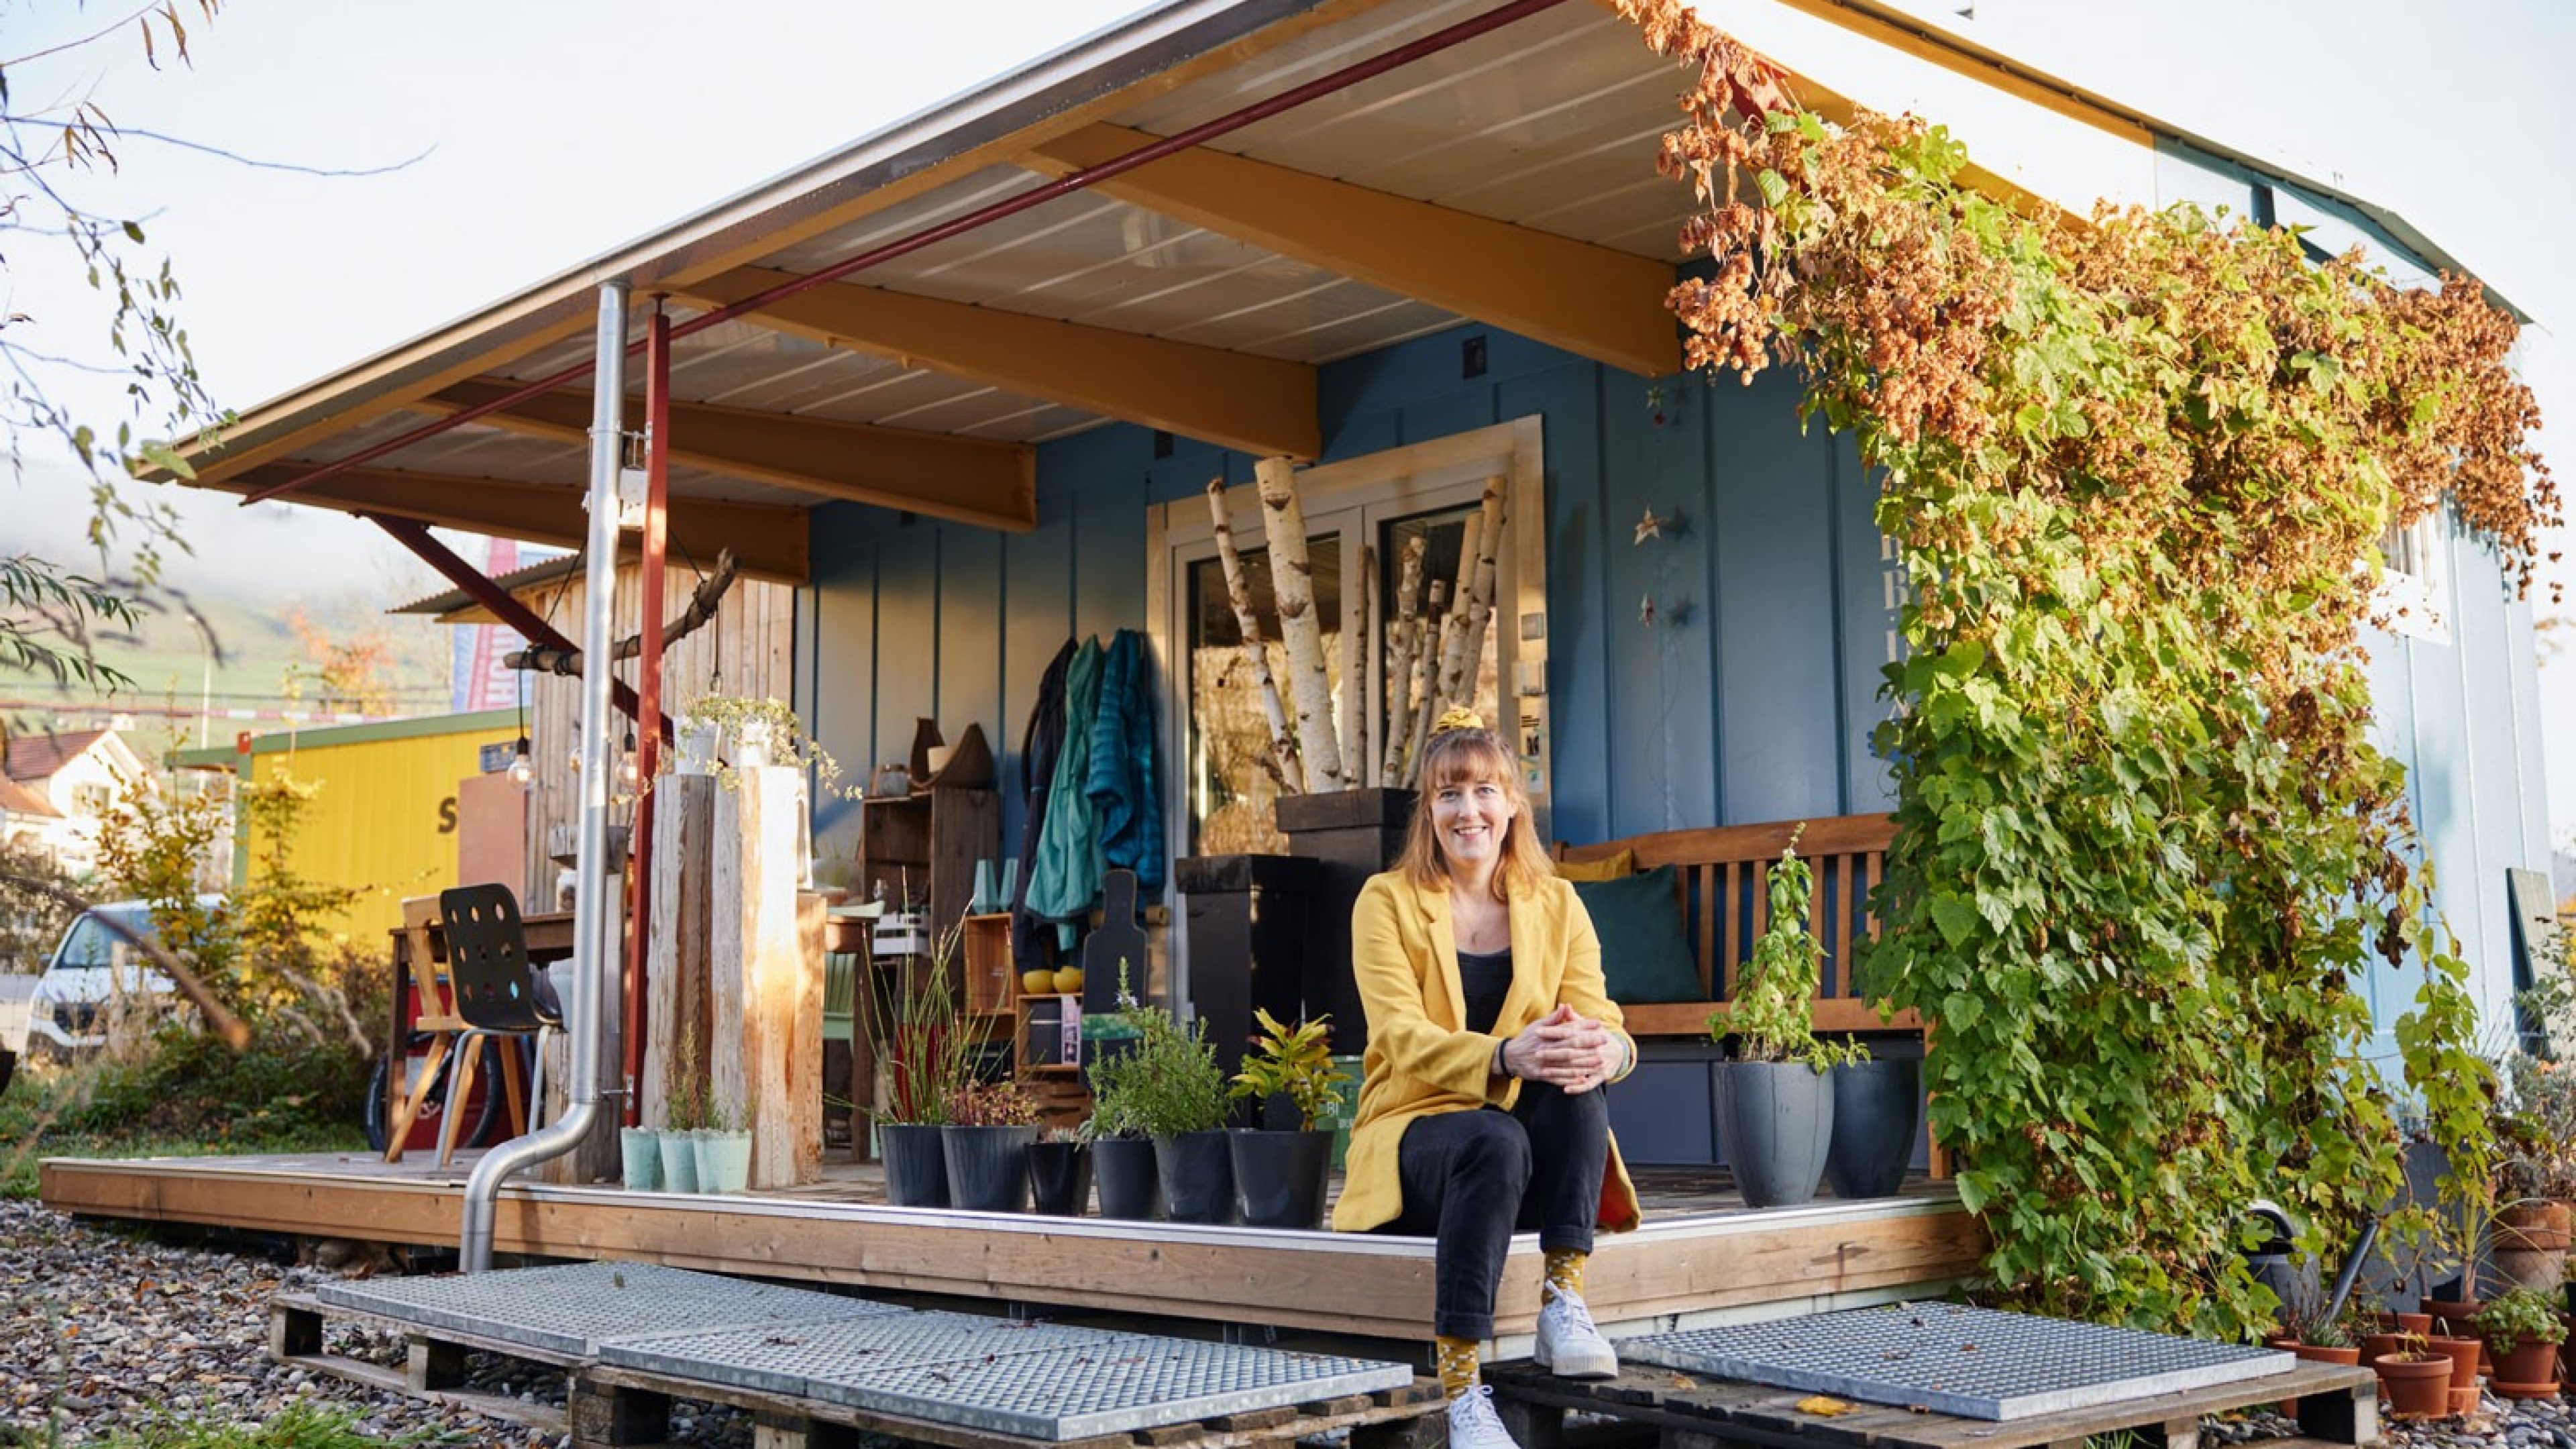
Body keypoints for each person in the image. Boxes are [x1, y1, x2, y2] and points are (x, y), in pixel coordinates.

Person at [1331, 708, 1640, 1449]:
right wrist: (1504, 1057)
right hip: (1417, 1134)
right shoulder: (1386, 900)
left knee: (1575, 1082)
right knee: (1493, 1138)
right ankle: (1463, 1391)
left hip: (1526, 1158)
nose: (1467, 811)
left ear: (1512, 806)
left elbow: (1603, 1017)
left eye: (1483, 792)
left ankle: (1564, 1299)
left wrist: (1610, 1053)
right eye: (1448, 795)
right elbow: (1400, 1039)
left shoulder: (1557, 902)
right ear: (1428, 812)